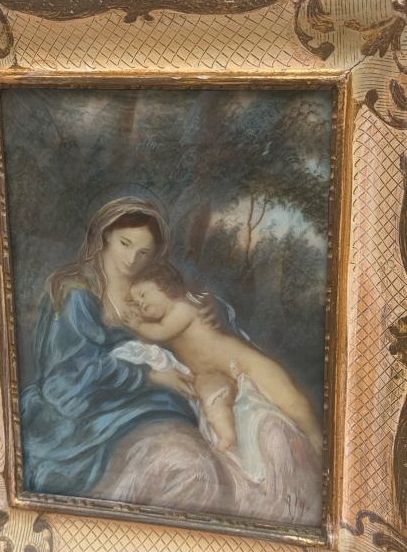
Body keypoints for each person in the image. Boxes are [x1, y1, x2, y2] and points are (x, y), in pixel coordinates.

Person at [20, 196, 322, 525]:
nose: (132, 259)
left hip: (168, 403)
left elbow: (200, 329)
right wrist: (148, 376)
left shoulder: (148, 285)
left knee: (268, 434)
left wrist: (210, 308)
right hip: (95, 418)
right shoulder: (78, 294)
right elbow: (64, 380)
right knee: (187, 466)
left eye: (143, 252)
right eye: (124, 243)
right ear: (104, 237)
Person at [124, 263, 323, 456]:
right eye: (135, 302)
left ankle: (316, 437)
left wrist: (136, 324)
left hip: (242, 361)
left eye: (143, 295)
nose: (140, 303)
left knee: (289, 399)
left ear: (164, 286)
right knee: (212, 399)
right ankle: (227, 437)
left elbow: (160, 332)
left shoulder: (182, 309)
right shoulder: (164, 318)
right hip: (209, 373)